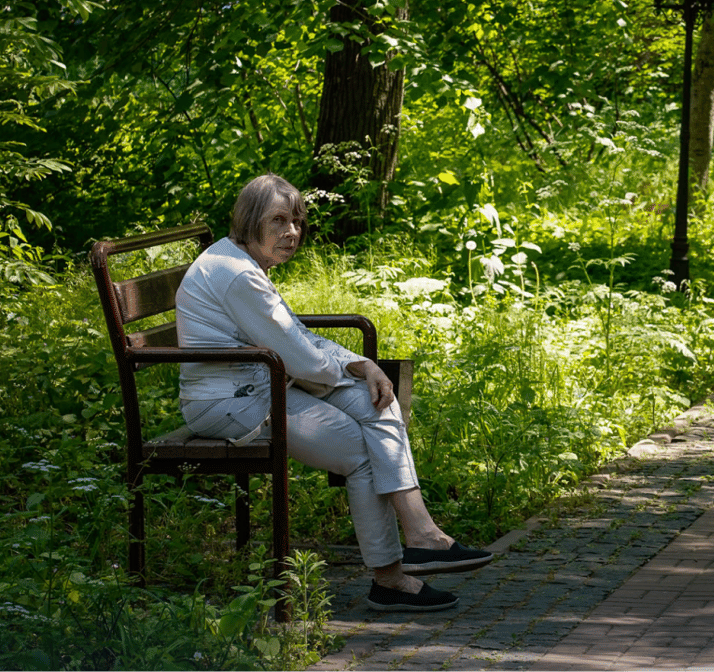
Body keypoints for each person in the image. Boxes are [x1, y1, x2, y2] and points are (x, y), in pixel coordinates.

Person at [175, 173, 492, 612]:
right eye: (279, 221)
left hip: (262, 385)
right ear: (250, 222)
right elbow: (302, 360)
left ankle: (422, 534)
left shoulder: (244, 263)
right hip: (229, 403)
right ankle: (390, 578)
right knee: (359, 449)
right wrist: (359, 366)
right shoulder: (236, 276)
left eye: (297, 222)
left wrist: (363, 367)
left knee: (376, 400)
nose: (291, 233)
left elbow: (296, 337)